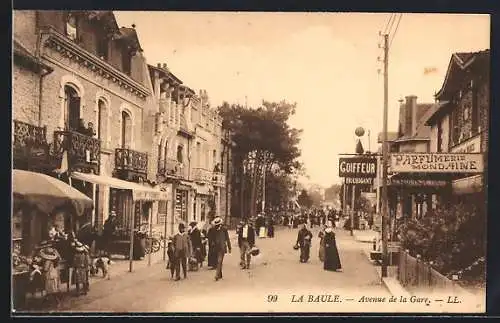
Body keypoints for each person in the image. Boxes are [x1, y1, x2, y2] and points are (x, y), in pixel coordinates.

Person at [212, 217, 231, 281]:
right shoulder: (214, 230)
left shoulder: (224, 229)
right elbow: (212, 239)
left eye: (218, 225)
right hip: (216, 248)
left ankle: (216, 275)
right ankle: (220, 275)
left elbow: (227, 238)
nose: (216, 226)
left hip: (222, 248)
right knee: (218, 261)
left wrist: (229, 247)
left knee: (219, 261)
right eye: (216, 225)